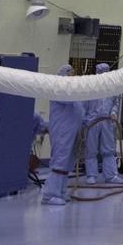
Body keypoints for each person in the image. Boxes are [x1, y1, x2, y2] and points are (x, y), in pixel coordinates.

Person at [42, 64, 83, 207]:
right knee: (60, 161)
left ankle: (60, 192)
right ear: (63, 74)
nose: (73, 76)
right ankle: (49, 195)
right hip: (62, 132)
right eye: (70, 73)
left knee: (68, 162)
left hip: (72, 132)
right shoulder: (58, 89)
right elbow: (69, 98)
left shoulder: (72, 92)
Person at [83, 63, 121, 184]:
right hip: (92, 122)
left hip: (107, 121)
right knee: (91, 149)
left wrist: (113, 112)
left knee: (109, 149)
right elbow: (84, 104)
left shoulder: (113, 87)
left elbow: (116, 102)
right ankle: (91, 176)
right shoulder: (90, 86)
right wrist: (85, 121)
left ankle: (111, 176)